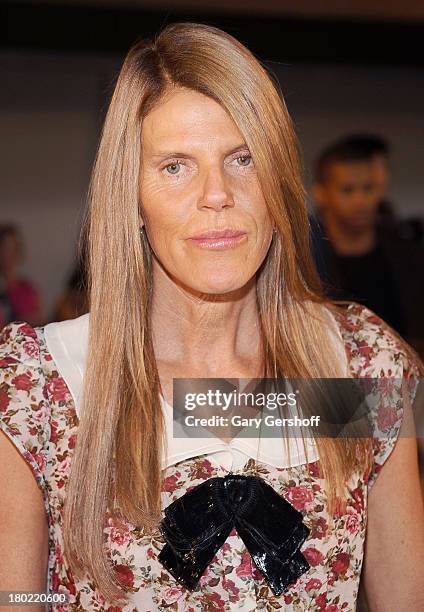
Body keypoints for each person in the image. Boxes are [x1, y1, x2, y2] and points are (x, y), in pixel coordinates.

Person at [1, 23, 424, 612]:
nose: (217, 193)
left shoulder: (356, 365)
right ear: (133, 197)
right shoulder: (45, 382)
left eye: (242, 157)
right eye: (176, 166)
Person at [311, 138, 424, 357]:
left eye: (368, 188)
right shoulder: (304, 260)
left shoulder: (409, 256)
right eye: (347, 190)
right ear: (321, 193)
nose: (360, 200)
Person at [0, 224, 43, 328]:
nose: (8, 254)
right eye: (4, 248)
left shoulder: (27, 289)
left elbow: (36, 320)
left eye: (12, 248)